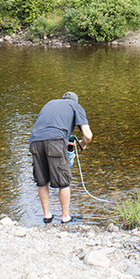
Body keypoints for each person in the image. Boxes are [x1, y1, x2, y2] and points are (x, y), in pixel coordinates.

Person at [28, 91, 92, 224]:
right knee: (64, 181)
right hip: (55, 140)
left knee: (41, 180)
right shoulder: (76, 106)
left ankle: (47, 216)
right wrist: (82, 144)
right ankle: (65, 217)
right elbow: (88, 135)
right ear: (75, 101)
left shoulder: (50, 103)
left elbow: (48, 126)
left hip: (35, 140)